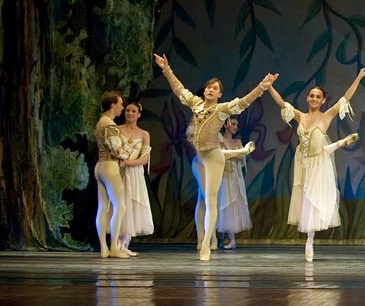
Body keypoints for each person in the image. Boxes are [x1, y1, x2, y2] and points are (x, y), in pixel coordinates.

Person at [153, 53, 276, 260]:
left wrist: (262, 86)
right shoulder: (195, 103)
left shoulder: (222, 109)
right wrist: (166, 69)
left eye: (215, 88)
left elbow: (245, 102)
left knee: (210, 200)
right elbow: (179, 89)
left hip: (214, 157)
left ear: (220, 94)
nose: (210, 89)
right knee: (204, 198)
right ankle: (203, 239)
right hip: (199, 158)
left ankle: (207, 244)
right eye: (208, 87)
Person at [267, 70, 364, 262]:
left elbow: (345, 98)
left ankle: (310, 241)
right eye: (311, 96)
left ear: (323, 100)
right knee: (303, 197)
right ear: (307, 98)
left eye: (318, 97)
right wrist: (268, 86)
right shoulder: (300, 116)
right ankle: (308, 238)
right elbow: (281, 102)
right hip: (302, 162)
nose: (314, 99)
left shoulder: (326, 117)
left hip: (319, 163)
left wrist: (359, 77)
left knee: (313, 199)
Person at [94, 91, 130, 258]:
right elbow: (115, 150)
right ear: (112, 105)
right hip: (109, 166)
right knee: (120, 206)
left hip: (100, 167)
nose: (122, 108)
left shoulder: (101, 122)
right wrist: (126, 155)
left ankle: (103, 248)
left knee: (103, 207)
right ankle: (114, 248)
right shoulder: (109, 124)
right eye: (120, 104)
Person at [116, 102, 153, 257]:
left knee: (132, 206)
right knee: (119, 204)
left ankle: (125, 243)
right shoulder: (117, 130)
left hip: (134, 173)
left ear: (138, 114)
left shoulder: (144, 134)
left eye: (133, 111)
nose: (130, 113)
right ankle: (115, 244)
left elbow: (144, 159)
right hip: (119, 171)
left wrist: (128, 163)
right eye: (128, 110)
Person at [215, 117, 254, 250]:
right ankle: (221, 238)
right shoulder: (219, 141)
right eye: (233, 124)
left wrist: (231, 153)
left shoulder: (237, 141)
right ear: (226, 124)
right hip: (225, 176)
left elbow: (242, 157)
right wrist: (236, 153)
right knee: (225, 205)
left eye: (237, 124)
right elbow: (219, 156)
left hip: (236, 176)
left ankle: (231, 240)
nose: (235, 126)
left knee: (234, 206)